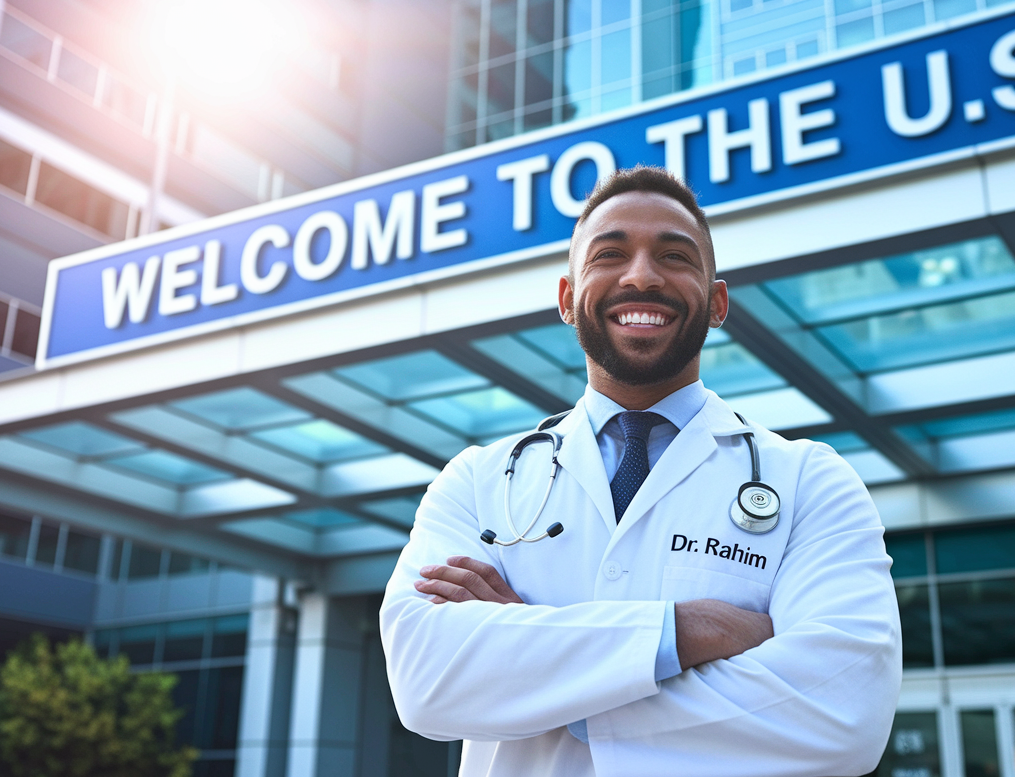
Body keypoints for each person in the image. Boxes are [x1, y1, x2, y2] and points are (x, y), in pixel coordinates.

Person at [380, 166, 901, 777]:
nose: (642, 276)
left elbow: (842, 714)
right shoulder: (476, 480)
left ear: (717, 303)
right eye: (610, 254)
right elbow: (428, 680)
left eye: (675, 256)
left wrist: (537, 660)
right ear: (569, 299)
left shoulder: (809, 480)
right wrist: (684, 631)